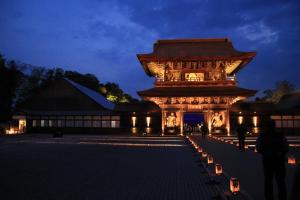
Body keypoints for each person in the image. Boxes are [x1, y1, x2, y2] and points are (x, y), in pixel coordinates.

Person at [256, 119, 289, 200]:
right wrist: (281, 152)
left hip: (268, 161)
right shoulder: (280, 135)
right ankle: (282, 197)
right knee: (280, 181)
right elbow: (286, 147)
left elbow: (258, 148)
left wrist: (266, 152)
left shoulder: (262, 135)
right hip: (279, 160)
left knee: (268, 180)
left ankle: (269, 197)